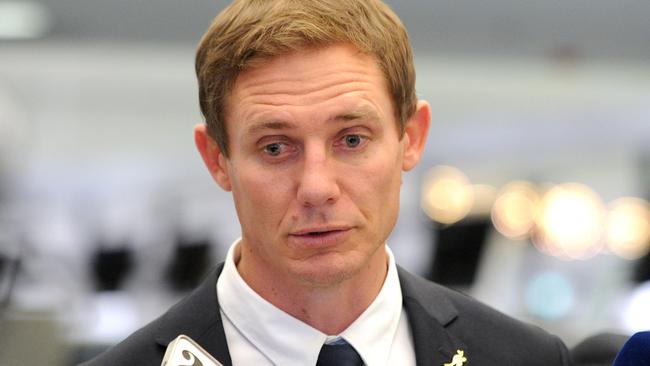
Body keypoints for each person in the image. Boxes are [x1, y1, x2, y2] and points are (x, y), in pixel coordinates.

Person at [82, 0, 572, 365]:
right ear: (217, 158)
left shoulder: (525, 358)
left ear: (411, 138)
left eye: (352, 140)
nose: (317, 187)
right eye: (275, 148)